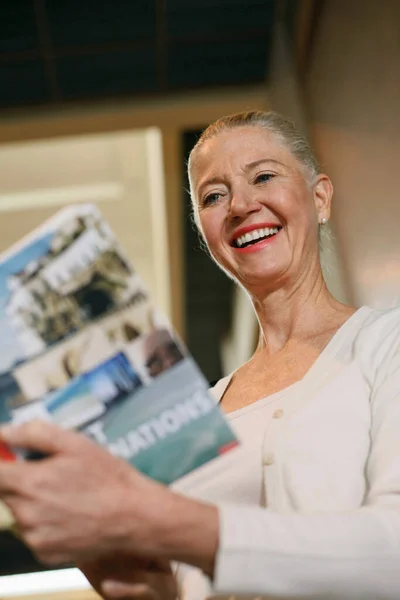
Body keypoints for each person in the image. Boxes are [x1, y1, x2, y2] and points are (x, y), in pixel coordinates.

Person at [1, 110, 400, 600]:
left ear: (319, 198)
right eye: (214, 196)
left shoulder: (388, 344)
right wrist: (122, 573)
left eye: (264, 176)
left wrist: (166, 520)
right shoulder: (192, 413)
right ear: (206, 233)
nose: (241, 205)